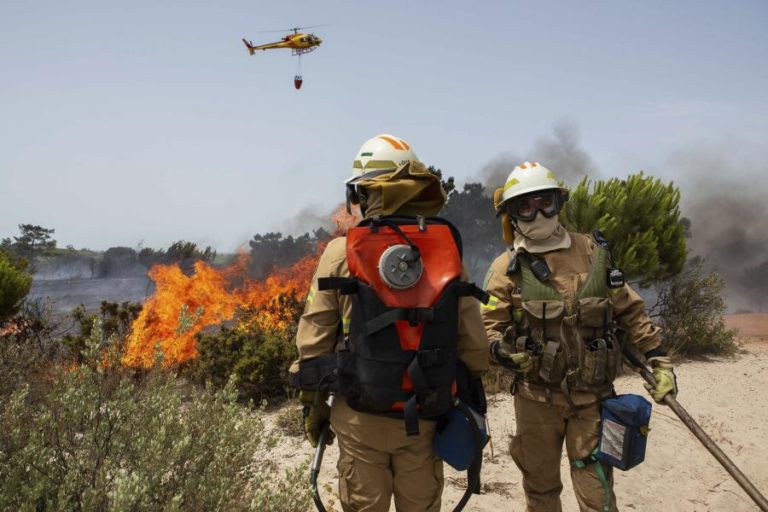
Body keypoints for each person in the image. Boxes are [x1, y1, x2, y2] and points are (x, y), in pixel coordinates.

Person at [290, 133, 489, 512]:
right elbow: (475, 346)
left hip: (359, 418)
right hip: (426, 417)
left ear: (364, 194)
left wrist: (312, 405)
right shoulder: (448, 253)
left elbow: (313, 340)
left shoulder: (340, 251)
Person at [481, 161, 678, 512]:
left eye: (544, 202)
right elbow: (488, 326)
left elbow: (629, 311)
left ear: (559, 202)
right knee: (540, 492)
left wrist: (659, 360)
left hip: (592, 400)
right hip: (535, 401)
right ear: (511, 214)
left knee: (597, 493)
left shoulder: (591, 252)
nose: (537, 213)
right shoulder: (505, 268)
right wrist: (502, 352)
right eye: (524, 206)